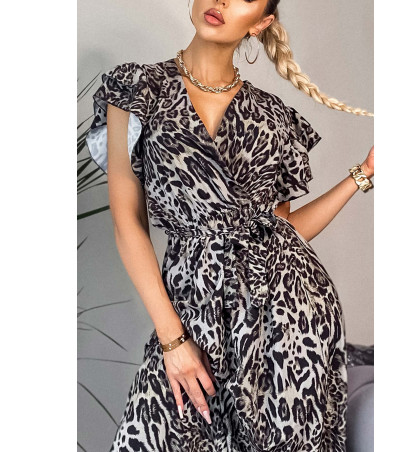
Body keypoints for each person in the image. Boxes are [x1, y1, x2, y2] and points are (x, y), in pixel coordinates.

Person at [85, 1, 374, 450]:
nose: (220, 1)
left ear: (261, 23)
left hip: (285, 320)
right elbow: (128, 222)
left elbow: (280, 232)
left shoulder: (274, 118)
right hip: (191, 311)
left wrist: (363, 174)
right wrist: (172, 339)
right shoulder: (138, 89)